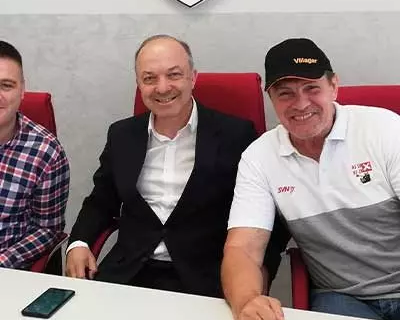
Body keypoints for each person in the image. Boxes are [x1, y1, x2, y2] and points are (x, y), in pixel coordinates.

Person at [66, 34, 286, 296]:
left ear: (193, 77)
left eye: (174, 75)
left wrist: (260, 272)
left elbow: (267, 213)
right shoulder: (122, 135)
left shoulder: (236, 135)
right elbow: (100, 201)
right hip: (129, 273)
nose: (162, 88)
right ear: (139, 84)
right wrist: (78, 243)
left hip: (207, 278)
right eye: (149, 78)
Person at [222, 37, 400, 320]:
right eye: (285, 93)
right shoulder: (259, 157)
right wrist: (247, 303)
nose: (301, 104)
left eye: (312, 89)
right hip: (342, 296)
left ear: (334, 86)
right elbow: (243, 248)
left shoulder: (384, 129)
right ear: (271, 98)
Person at [0, 40, 70, 269]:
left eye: (6, 85)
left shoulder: (46, 152)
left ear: (22, 91)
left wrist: (4, 262)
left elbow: (48, 229)